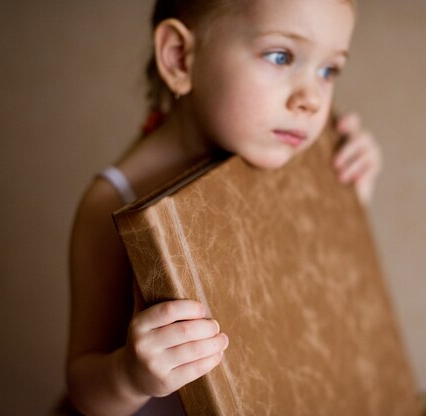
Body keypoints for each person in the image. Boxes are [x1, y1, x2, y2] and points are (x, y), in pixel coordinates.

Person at [65, 0, 382, 414]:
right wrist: (130, 374)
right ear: (179, 58)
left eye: (329, 70)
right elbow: (83, 389)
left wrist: (348, 195)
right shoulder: (113, 201)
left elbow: (315, 297)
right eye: (281, 56)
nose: (311, 99)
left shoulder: (288, 160)